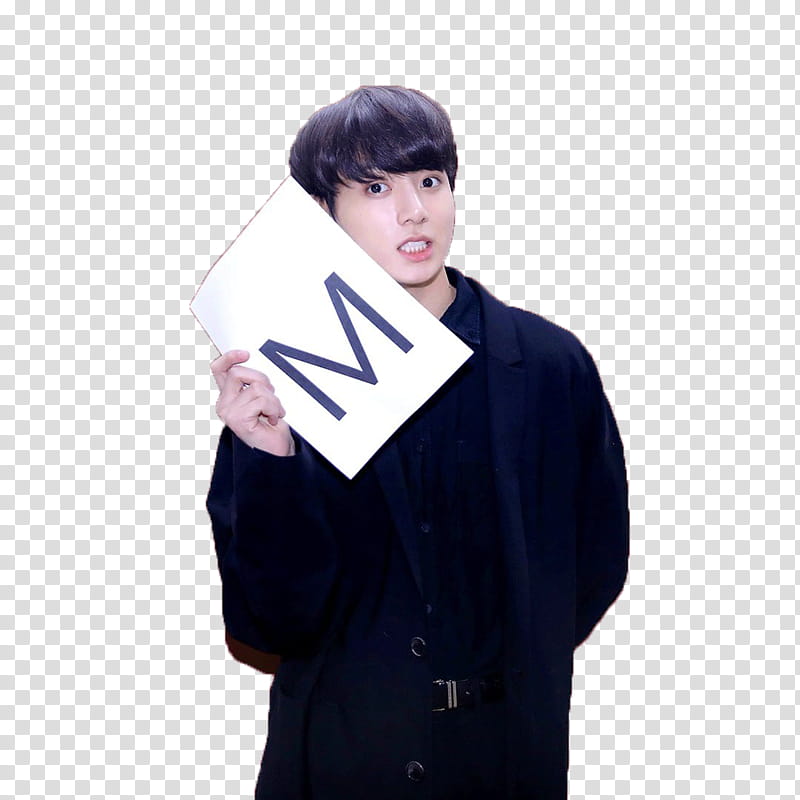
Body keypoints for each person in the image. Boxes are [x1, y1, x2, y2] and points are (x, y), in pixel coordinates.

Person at [206, 86, 629, 799]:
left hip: (507, 759)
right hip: (339, 760)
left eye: (429, 181)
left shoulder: (549, 363)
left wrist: (509, 676)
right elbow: (270, 620)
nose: (414, 211)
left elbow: (596, 559)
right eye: (375, 187)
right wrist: (269, 458)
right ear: (322, 214)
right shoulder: (281, 382)